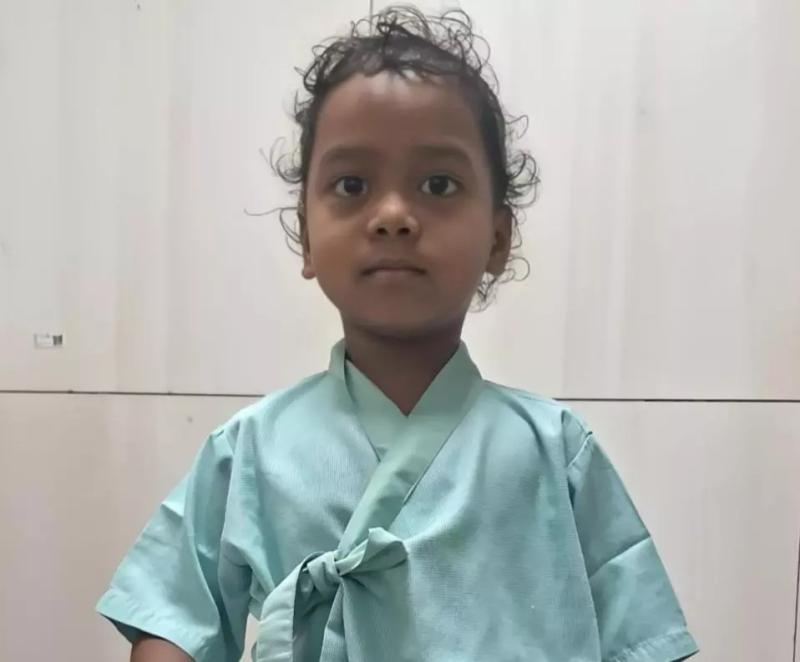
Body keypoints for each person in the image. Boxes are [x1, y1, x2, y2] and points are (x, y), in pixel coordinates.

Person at [96, 6, 700, 662]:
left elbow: (644, 642)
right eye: (352, 184)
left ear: (497, 239)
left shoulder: (556, 451)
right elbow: (171, 618)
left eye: (438, 184)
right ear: (306, 236)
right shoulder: (247, 451)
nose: (391, 215)